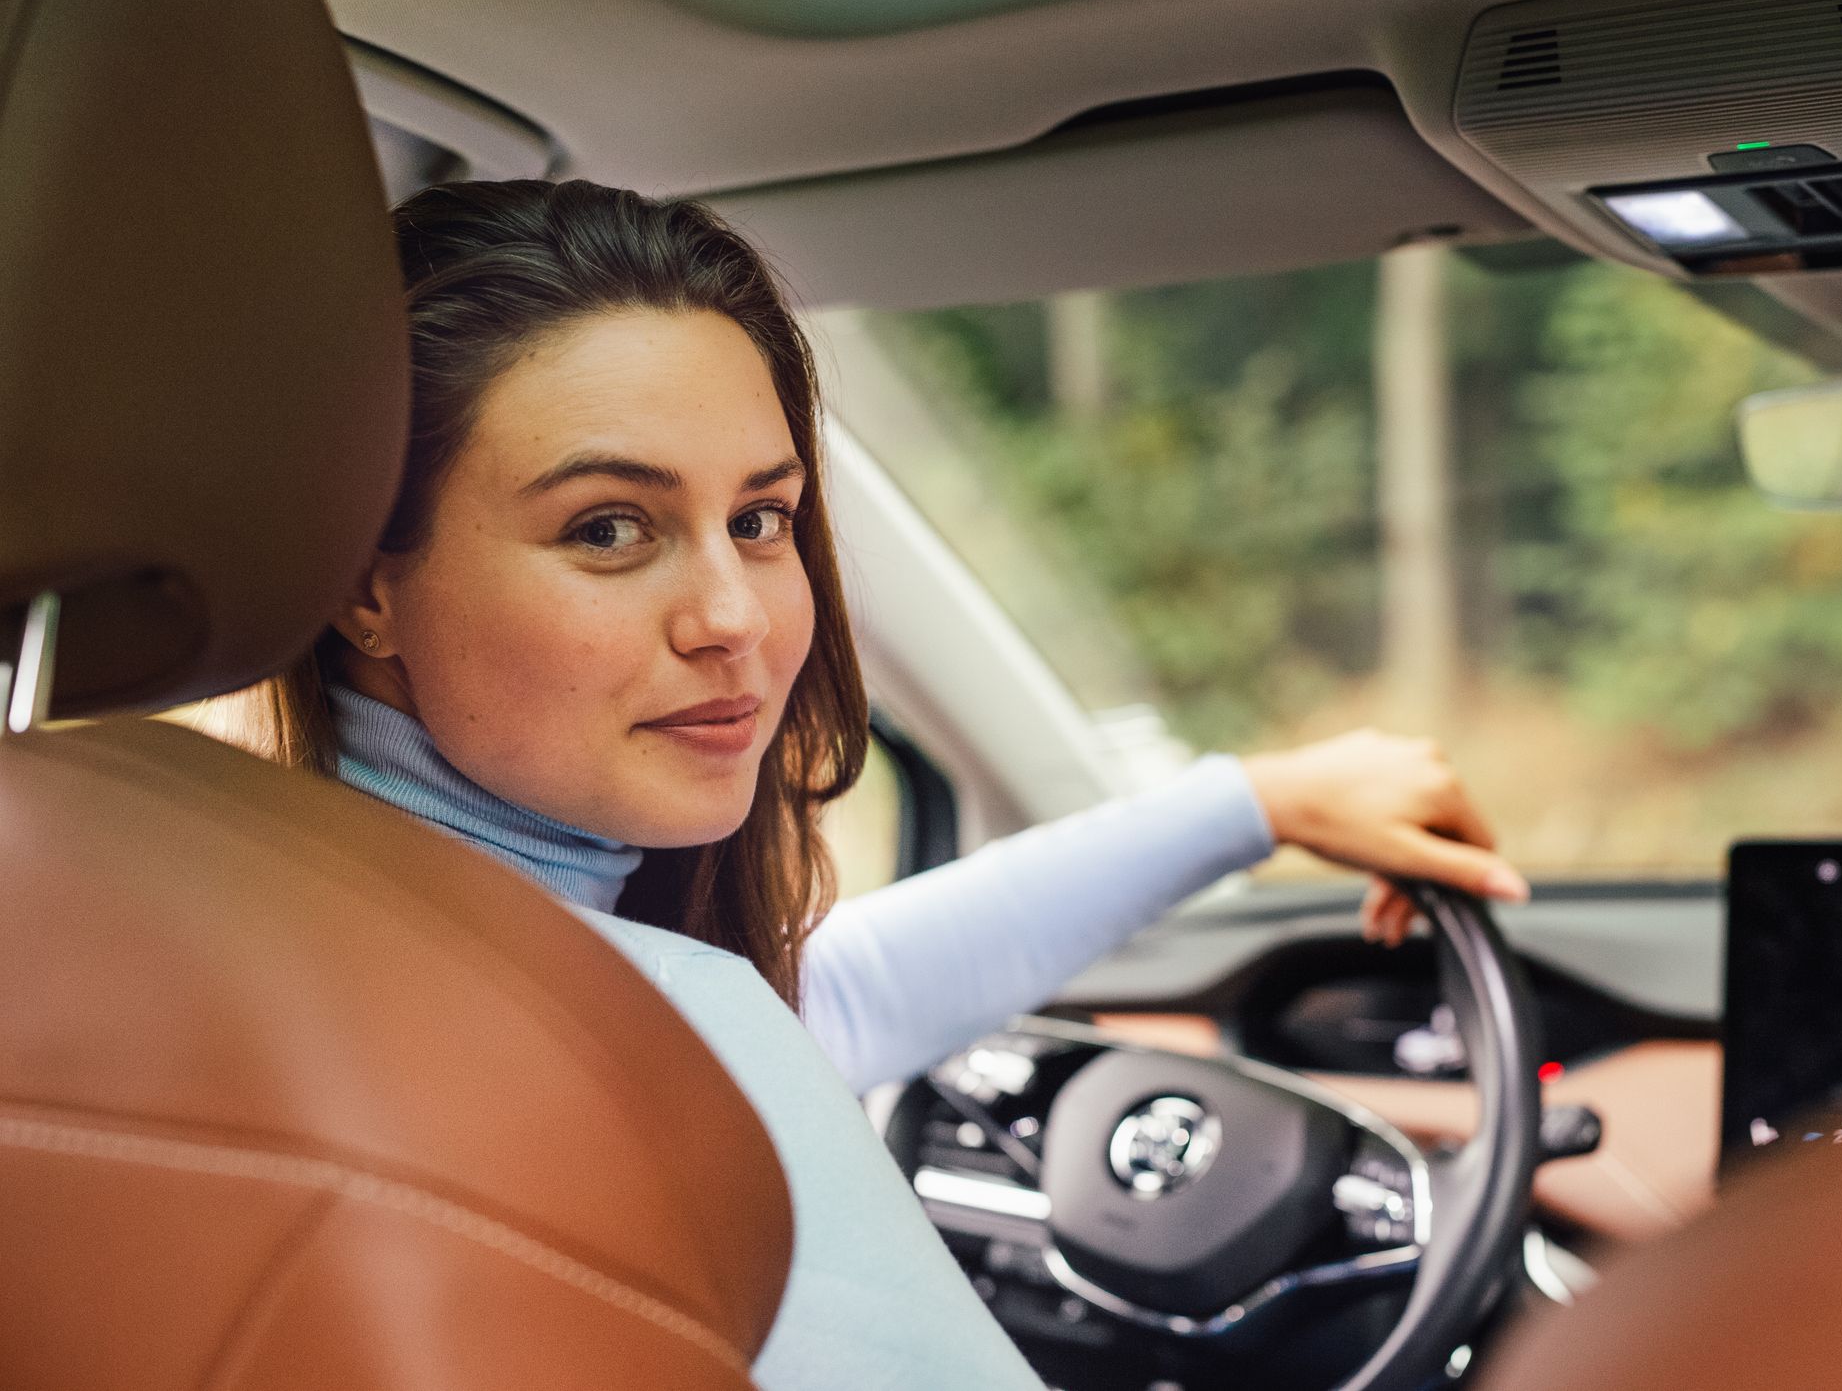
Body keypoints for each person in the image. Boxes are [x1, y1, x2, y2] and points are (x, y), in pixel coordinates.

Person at [205, 178, 1528, 1389]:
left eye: (761, 519)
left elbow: (811, 1006)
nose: (734, 615)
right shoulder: (651, 1040)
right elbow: (736, 1036)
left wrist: (1251, 806)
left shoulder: (225, 917)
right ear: (366, 578)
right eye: (609, 527)